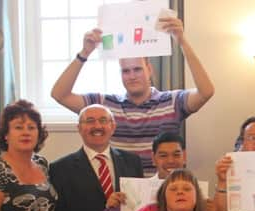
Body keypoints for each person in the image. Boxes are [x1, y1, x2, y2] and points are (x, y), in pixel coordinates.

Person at [51, 14, 214, 175]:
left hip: (162, 191)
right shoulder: (104, 105)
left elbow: (206, 91)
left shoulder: (172, 101)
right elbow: (59, 94)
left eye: (137, 69)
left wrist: (182, 41)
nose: (132, 76)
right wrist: (84, 53)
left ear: (149, 69)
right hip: (120, 193)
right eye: (126, 71)